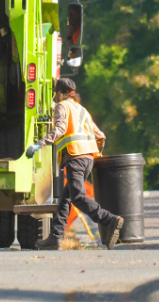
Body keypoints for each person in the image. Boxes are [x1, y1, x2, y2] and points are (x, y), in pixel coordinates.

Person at [24, 78, 124, 250]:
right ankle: (55, 237)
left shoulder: (61, 106)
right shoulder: (82, 109)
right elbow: (100, 135)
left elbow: (61, 129)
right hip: (87, 159)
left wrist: (40, 143)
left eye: (56, 93)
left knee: (77, 197)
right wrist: (96, 155)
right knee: (66, 198)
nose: (55, 96)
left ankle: (109, 219)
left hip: (74, 156)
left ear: (60, 93)